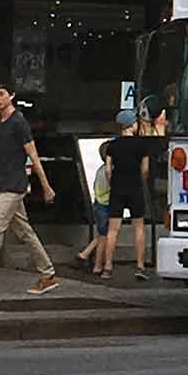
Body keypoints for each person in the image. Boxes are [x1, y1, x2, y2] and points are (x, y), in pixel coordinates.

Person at [0, 82, 59, 294]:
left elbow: (33, 156)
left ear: (11, 95)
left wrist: (46, 186)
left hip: (14, 186)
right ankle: (48, 273)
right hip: (5, 183)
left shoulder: (19, 122)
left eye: (1, 94)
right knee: (25, 232)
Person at [102, 110, 150, 281]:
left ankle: (107, 267)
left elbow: (108, 170)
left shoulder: (112, 146)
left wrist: (113, 182)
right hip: (135, 187)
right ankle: (140, 266)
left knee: (113, 229)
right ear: (132, 125)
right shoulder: (141, 145)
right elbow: (145, 169)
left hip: (117, 188)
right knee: (138, 227)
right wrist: (140, 181)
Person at [75, 141, 112, 275]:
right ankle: (95, 263)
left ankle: (86, 254)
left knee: (102, 234)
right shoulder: (109, 172)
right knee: (104, 235)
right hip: (105, 206)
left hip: (98, 204)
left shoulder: (100, 170)